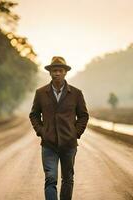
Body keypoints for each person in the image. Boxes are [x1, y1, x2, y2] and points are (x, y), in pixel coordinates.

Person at [29, 56, 89, 200]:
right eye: (54, 70)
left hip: (69, 144)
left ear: (65, 72)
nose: (57, 73)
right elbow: (34, 115)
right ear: (50, 72)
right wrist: (42, 131)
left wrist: (75, 133)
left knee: (68, 179)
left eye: (60, 70)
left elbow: (83, 116)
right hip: (48, 145)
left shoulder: (76, 93)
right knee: (50, 178)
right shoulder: (41, 93)